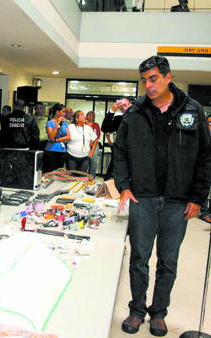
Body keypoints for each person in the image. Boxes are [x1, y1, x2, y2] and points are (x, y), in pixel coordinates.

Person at [115, 55, 211, 336]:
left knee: (168, 261)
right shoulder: (134, 113)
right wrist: (124, 186)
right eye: (144, 80)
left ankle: (158, 312)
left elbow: (205, 156)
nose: (148, 85)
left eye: (153, 78)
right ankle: (136, 310)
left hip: (177, 201)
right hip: (142, 199)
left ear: (169, 77)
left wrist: (198, 197)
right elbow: (120, 152)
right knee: (139, 259)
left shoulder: (192, 109)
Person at [101, 97, 131, 181]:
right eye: (121, 108)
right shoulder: (119, 119)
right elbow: (105, 128)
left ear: (130, 104)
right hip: (122, 152)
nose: (124, 109)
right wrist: (112, 111)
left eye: (125, 105)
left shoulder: (139, 117)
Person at [43, 103, 71, 173]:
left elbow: (68, 137)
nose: (64, 114)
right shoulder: (50, 123)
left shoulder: (65, 124)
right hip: (51, 149)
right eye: (63, 111)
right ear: (57, 111)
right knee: (50, 172)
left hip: (62, 150)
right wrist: (57, 124)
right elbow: (51, 136)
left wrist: (56, 140)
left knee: (59, 172)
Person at [199, 113, 211, 223]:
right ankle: (205, 212)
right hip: (205, 169)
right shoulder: (204, 136)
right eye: (209, 122)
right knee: (204, 189)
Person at [85, 111, 101, 178]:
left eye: (92, 115)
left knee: (93, 161)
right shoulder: (84, 124)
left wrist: (92, 141)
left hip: (95, 144)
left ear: (94, 117)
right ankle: (84, 176)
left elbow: (98, 135)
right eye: (89, 115)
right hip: (85, 144)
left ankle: (92, 176)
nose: (90, 116)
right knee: (85, 161)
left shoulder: (96, 125)